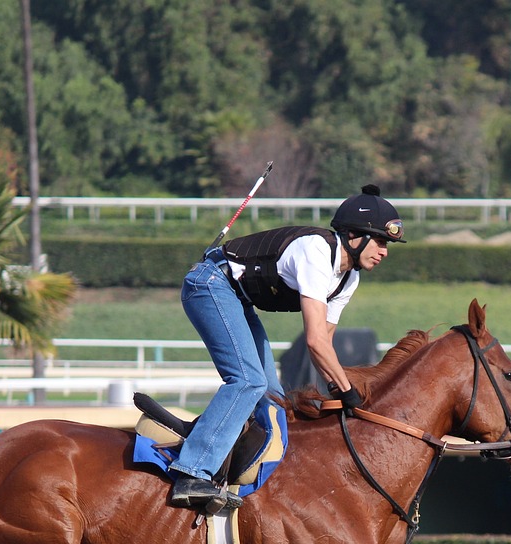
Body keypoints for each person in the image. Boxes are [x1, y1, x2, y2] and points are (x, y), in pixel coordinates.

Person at [166, 184, 406, 510]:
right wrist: (349, 392)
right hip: (209, 283)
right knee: (249, 381)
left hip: (236, 299)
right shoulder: (316, 253)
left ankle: (249, 480)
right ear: (354, 236)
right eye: (380, 241)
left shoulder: (348, 279)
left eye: (387, 244)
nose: (385, 251)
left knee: (274, 399)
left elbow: (324, 343)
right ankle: (192, 472)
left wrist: (341, 392)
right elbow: (315, 341)